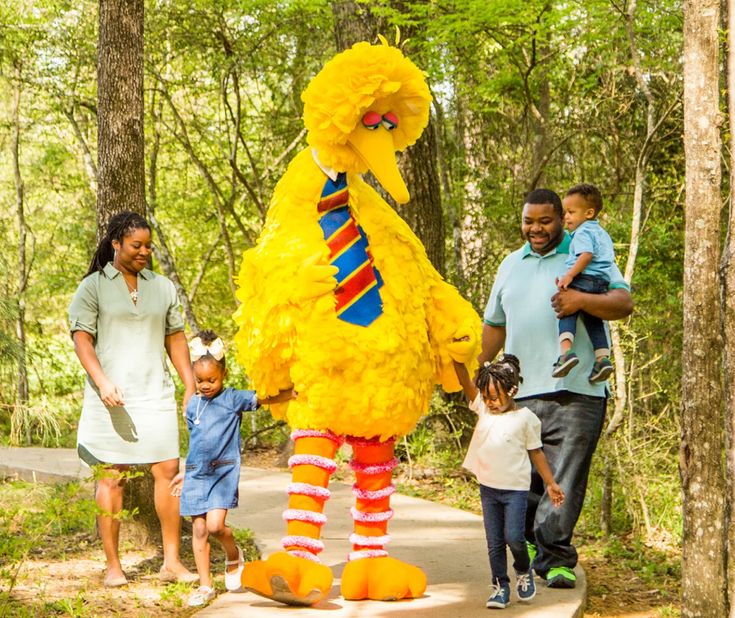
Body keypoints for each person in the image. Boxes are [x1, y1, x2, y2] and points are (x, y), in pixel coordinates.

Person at [480, 188, 633, 589]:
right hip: (518, 391)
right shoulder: (510, 264)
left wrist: (580, 298)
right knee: (522, 477)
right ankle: (529, 546)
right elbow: (495, 325)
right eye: (529, 221)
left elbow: (622, 302)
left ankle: (557, 558)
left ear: (562, 220)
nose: (536, 228)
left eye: (545, 221)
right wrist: (473, 375)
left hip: (576, 389)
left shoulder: (586, 253)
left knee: (562, 478)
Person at [68, 211, 197, 588]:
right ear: (115, 244)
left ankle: (172, 561)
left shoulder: (162, 287)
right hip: (110, 398)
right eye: (136, 245)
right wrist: (103, 381)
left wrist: (189, 385)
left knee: (169, 474)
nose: (144, 252)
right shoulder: (92, 287)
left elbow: (175, 338)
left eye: (148, 246)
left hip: (154, 393)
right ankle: (113, 566)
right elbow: (82, 339)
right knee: (111, 479)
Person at [170, 330, 296, 607]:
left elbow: (264, 398)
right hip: (195, 473)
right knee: (199, 530)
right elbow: (196, 441)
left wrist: (292, 392)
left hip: (222, 473)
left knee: (216, 527)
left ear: (223, 374)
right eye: (200, 380)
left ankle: (233, 553)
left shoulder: (232, 399)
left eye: (211, 380)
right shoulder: (192, 405)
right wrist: (184, 471)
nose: (205, 385)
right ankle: (205, 585)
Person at [454, 354, 564, 609]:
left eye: (495, 397)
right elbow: (464, 382)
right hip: (488, 488)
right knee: (494, 541)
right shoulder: (483, 408)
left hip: (514, 490)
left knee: (514, 537)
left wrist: (550, 483)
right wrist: (456, 359)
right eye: (486, 396)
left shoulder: (526, 419)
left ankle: (523, 570)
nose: (490, 402)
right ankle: (500, 586)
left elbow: (536, 452)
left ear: (512, 390)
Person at [552, 184, 616, 383]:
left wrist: (569, 276)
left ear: (589, 213)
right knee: (593, 319)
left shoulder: (582, 232)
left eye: (571, 212)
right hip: (601, 282)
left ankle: (566, 353)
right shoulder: (601, 232)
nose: (567, 218)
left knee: (566, 309)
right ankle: (602, 359)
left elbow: (586, 255)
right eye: (565, 213)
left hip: (584, 278)